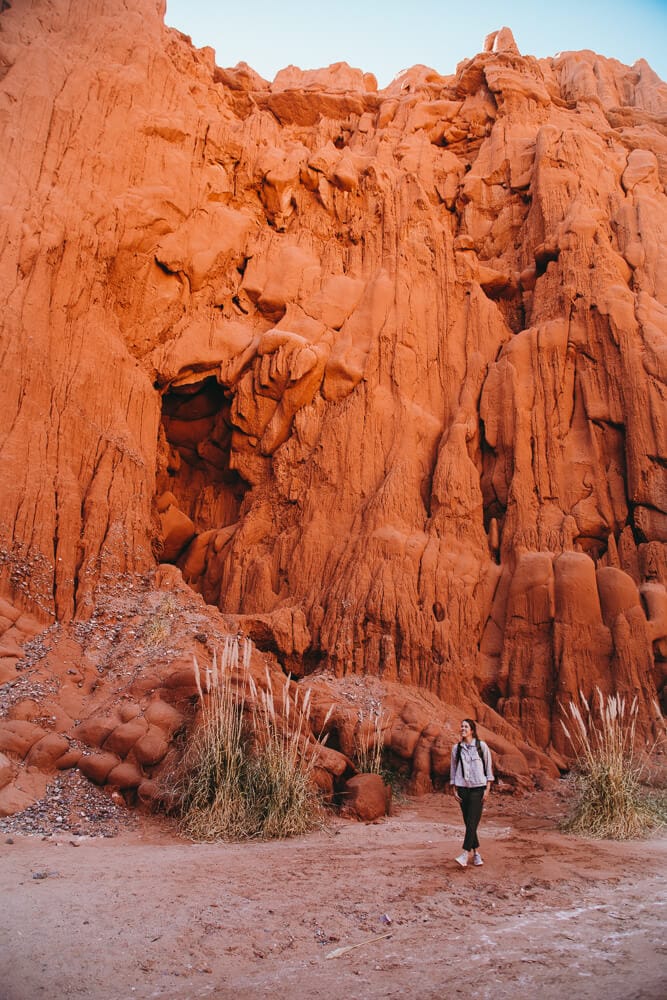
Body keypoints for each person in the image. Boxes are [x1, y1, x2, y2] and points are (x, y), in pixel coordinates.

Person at [450, 718, 494, 867]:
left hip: (478, 788)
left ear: (472, 730)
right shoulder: (457, 748)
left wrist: (487, 789)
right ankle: (476, 854)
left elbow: (488, 769)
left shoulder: (481, 746)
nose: (462, 728)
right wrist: (454, 788)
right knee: (469, 822)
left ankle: (464, 854)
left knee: (471, 821)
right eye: (461, 726)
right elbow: (453, 769)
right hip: (463, 788)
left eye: (465, 726)